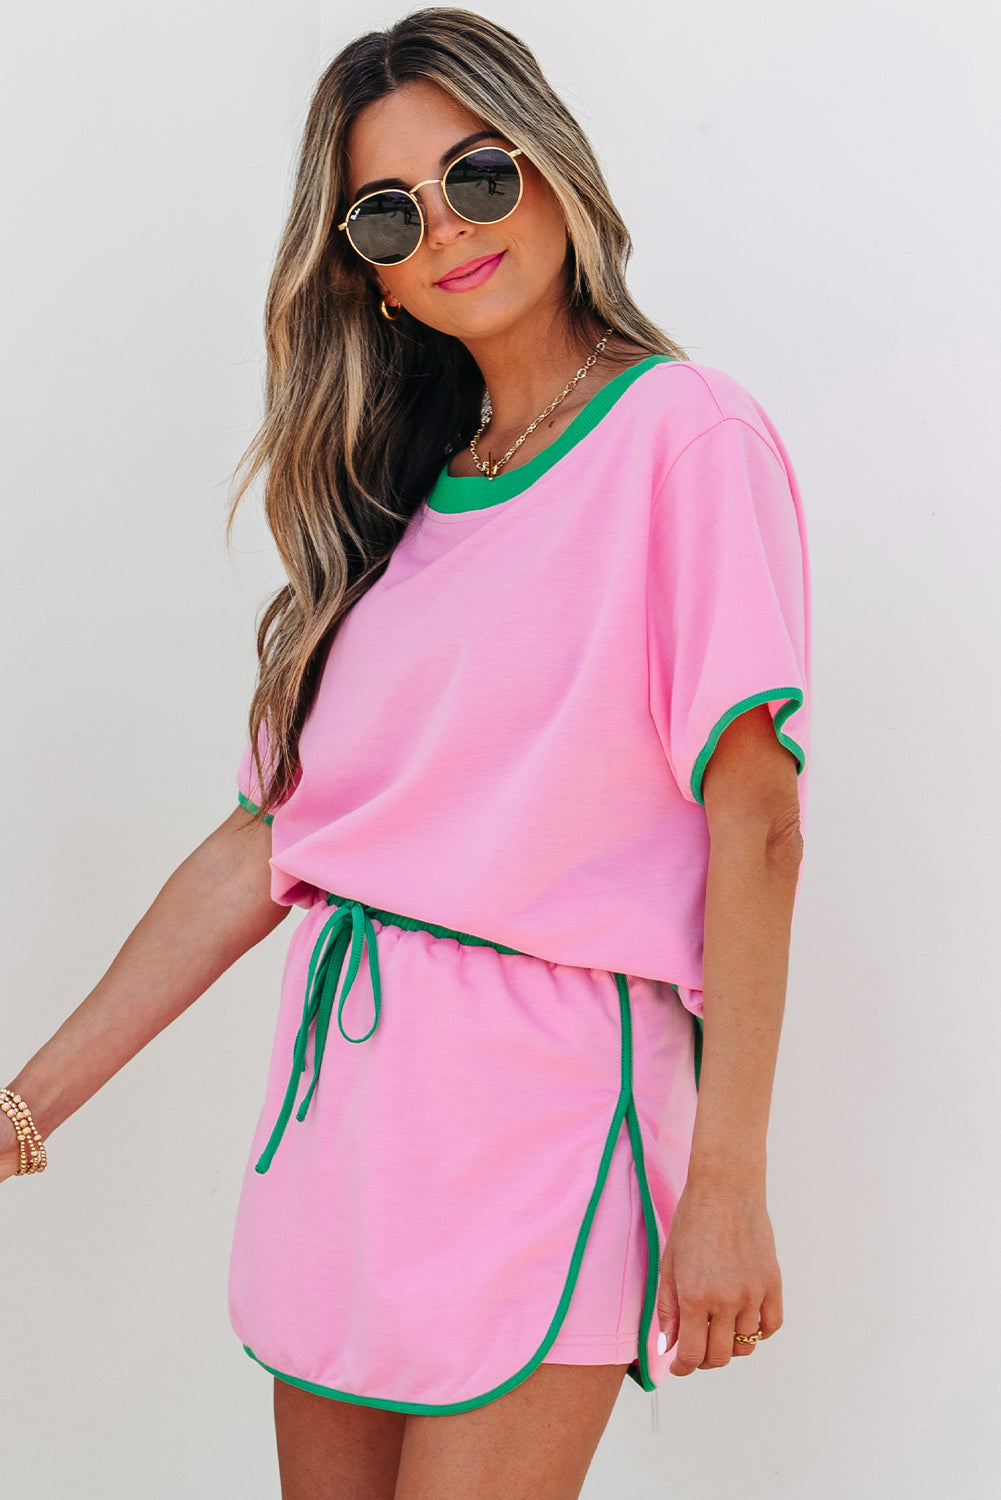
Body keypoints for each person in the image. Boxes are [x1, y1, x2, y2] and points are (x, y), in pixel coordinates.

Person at [1, 7, 811, 1496]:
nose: (446, 228)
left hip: (550, 1112)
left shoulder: (685, 435)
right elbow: (268, 844)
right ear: (366, 271)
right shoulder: (394, 510)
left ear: (552, 167)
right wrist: (21, 1108)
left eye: (477, 175)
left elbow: (757, 824)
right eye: (390, 213)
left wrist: (728, 1182)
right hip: (349, 1123)